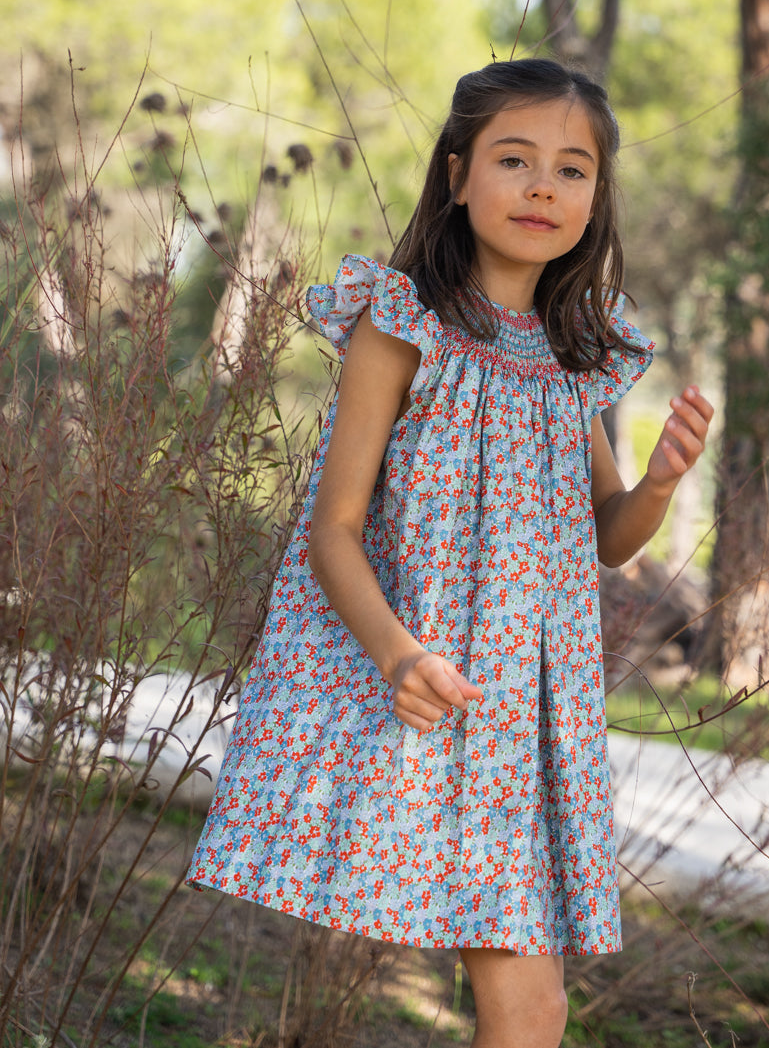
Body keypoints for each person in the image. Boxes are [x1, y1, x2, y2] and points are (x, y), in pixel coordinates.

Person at [185, 58, 713, 1048]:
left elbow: (606, 539)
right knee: (526, 1007)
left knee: (531, 1009)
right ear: (459, 174)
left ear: (596, 199)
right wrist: (400, 655)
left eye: (572, 169)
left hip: (523, 722)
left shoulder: (577, 352)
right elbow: (332, 529)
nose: (543, 187)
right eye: (515, 160)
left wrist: (658, 487)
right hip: (422, 696)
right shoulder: (402, 325)